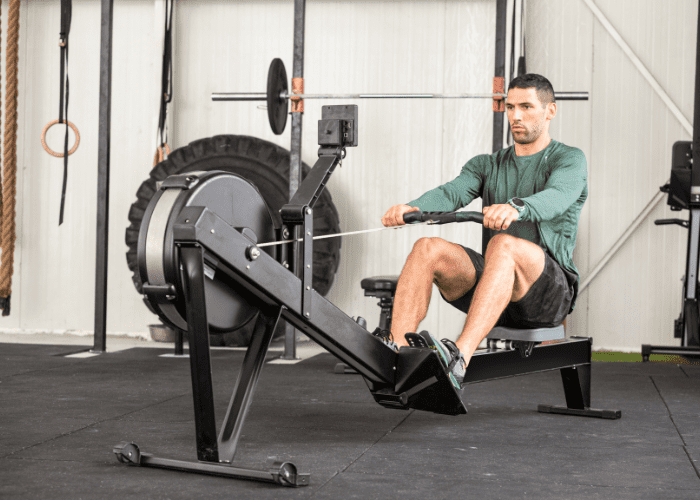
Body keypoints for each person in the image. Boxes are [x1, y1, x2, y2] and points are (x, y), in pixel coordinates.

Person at [380, 73, 587, 388]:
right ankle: (397, 356)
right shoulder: (487, 164)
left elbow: (556, 198)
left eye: (527, 107)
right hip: (495, 293)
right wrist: (413, 208)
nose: (516, 116)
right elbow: (453, 193)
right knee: (427, 247)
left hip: (547, 296)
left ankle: (459, 359)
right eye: (511, 107)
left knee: (504, 244)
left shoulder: (568, 159)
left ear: (550, 111)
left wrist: (516, 207)